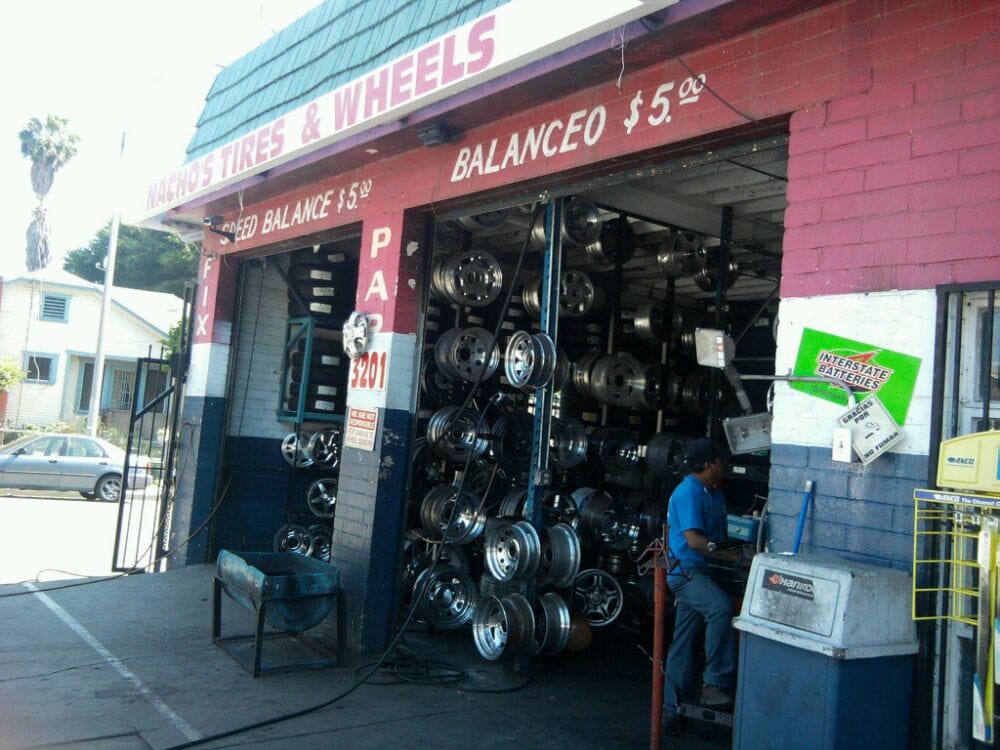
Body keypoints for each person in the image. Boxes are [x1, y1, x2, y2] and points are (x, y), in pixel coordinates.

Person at [662, 437, 748, 736]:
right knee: (720, 609)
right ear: (710, 464)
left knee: (683, 641)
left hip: (702, 572)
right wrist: (735, 556)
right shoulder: (688, 492)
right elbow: (695, 542)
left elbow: (719, 538)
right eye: (721, 462)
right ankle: (714, 683)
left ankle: (672, 710)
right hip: (685, 573)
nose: (725, 466)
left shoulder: (713, 493)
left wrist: (736, 549)